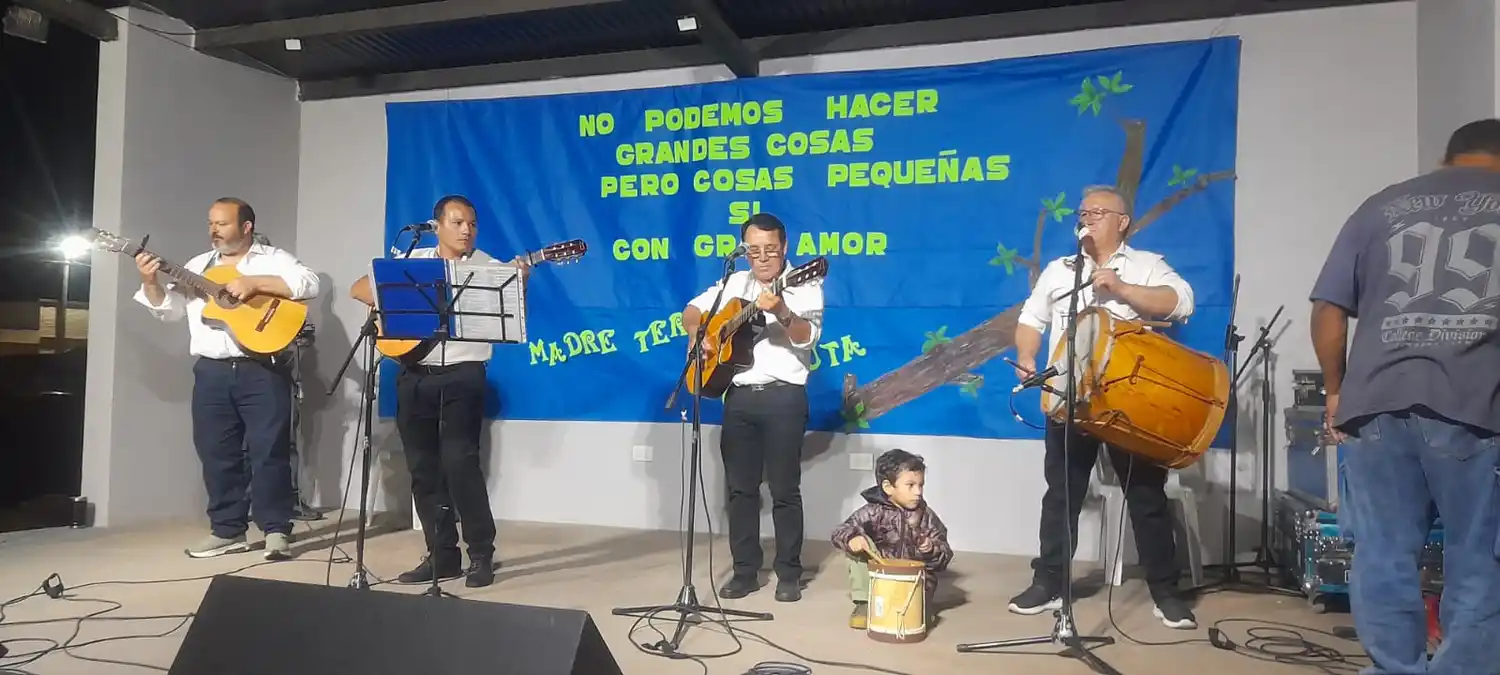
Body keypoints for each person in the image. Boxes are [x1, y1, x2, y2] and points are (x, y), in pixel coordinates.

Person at [1310, 119, 1500, 674]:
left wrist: (1336, 391)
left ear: (1449, 158)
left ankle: (1396, 668)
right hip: (1474, 405)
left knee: (1382, 555)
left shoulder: (1380, 207)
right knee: (1478, 557)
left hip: (1373, 406)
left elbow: (1328, 309)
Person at [1009, 185, 1198, 628]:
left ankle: (1165, 591)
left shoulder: (1147, 266)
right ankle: (1051, 582)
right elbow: (1030, 319)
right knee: (1062, 495)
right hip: (1068, 398)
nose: (1088, 217)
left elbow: (1181, 303)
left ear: (1123, 221)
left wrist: (1124, 288)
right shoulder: (1061, 270)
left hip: (1128, 402)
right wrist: (1026, 357)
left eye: (1099, 211)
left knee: (1146, 496)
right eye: (1083, 211)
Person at [350, 194, 529, 589]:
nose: (467, 230)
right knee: (422, 468)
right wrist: (404, 296)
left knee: (460, 463)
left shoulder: (490, 268)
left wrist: (522, 284)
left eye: (472, 224)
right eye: (458, 222)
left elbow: (513, 320)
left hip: (464, 373)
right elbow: (360, 288)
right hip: (413, 373)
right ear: (438, 226)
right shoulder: (416, 261)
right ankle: (441, 554)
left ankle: (481, 553)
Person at [133, 197, 320, 560]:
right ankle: (227, 530)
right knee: (217, 452)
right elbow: (168, 312)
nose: (213, 231)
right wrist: (149, 281)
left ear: (246, 227)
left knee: (269, 452)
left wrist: (253, 283)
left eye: (221, 223)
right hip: (211, 371)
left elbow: (308, 283)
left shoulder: (271, 258)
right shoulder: (196, 266)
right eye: (210, 224)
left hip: (262, 368)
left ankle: (276, 530)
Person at [681, 212, 824, 603]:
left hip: (784, 397)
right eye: (754, 251)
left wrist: (780, 311)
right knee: (740, 490)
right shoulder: (735, 283)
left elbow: (806, 337)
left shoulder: (805, 283)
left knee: (783, 489)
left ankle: (789, 573)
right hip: (738, 397)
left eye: (770, 251)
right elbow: (692, 311)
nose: (762, 259)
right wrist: (700, 336)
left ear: (785, 248)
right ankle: (745, 571)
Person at [831, 449, 953, 629]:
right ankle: (865, 604)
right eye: (910, 485)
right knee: (858, 544)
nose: (918, 492)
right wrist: (852, 539)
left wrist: (932, 549)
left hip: (914, 584)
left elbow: (944, 556)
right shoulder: (872, 511)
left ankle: (920, 607)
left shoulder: (926, 517)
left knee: (913, 621)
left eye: (921, 485)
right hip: (881, 578)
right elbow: (841, 530)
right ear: (888, 487)